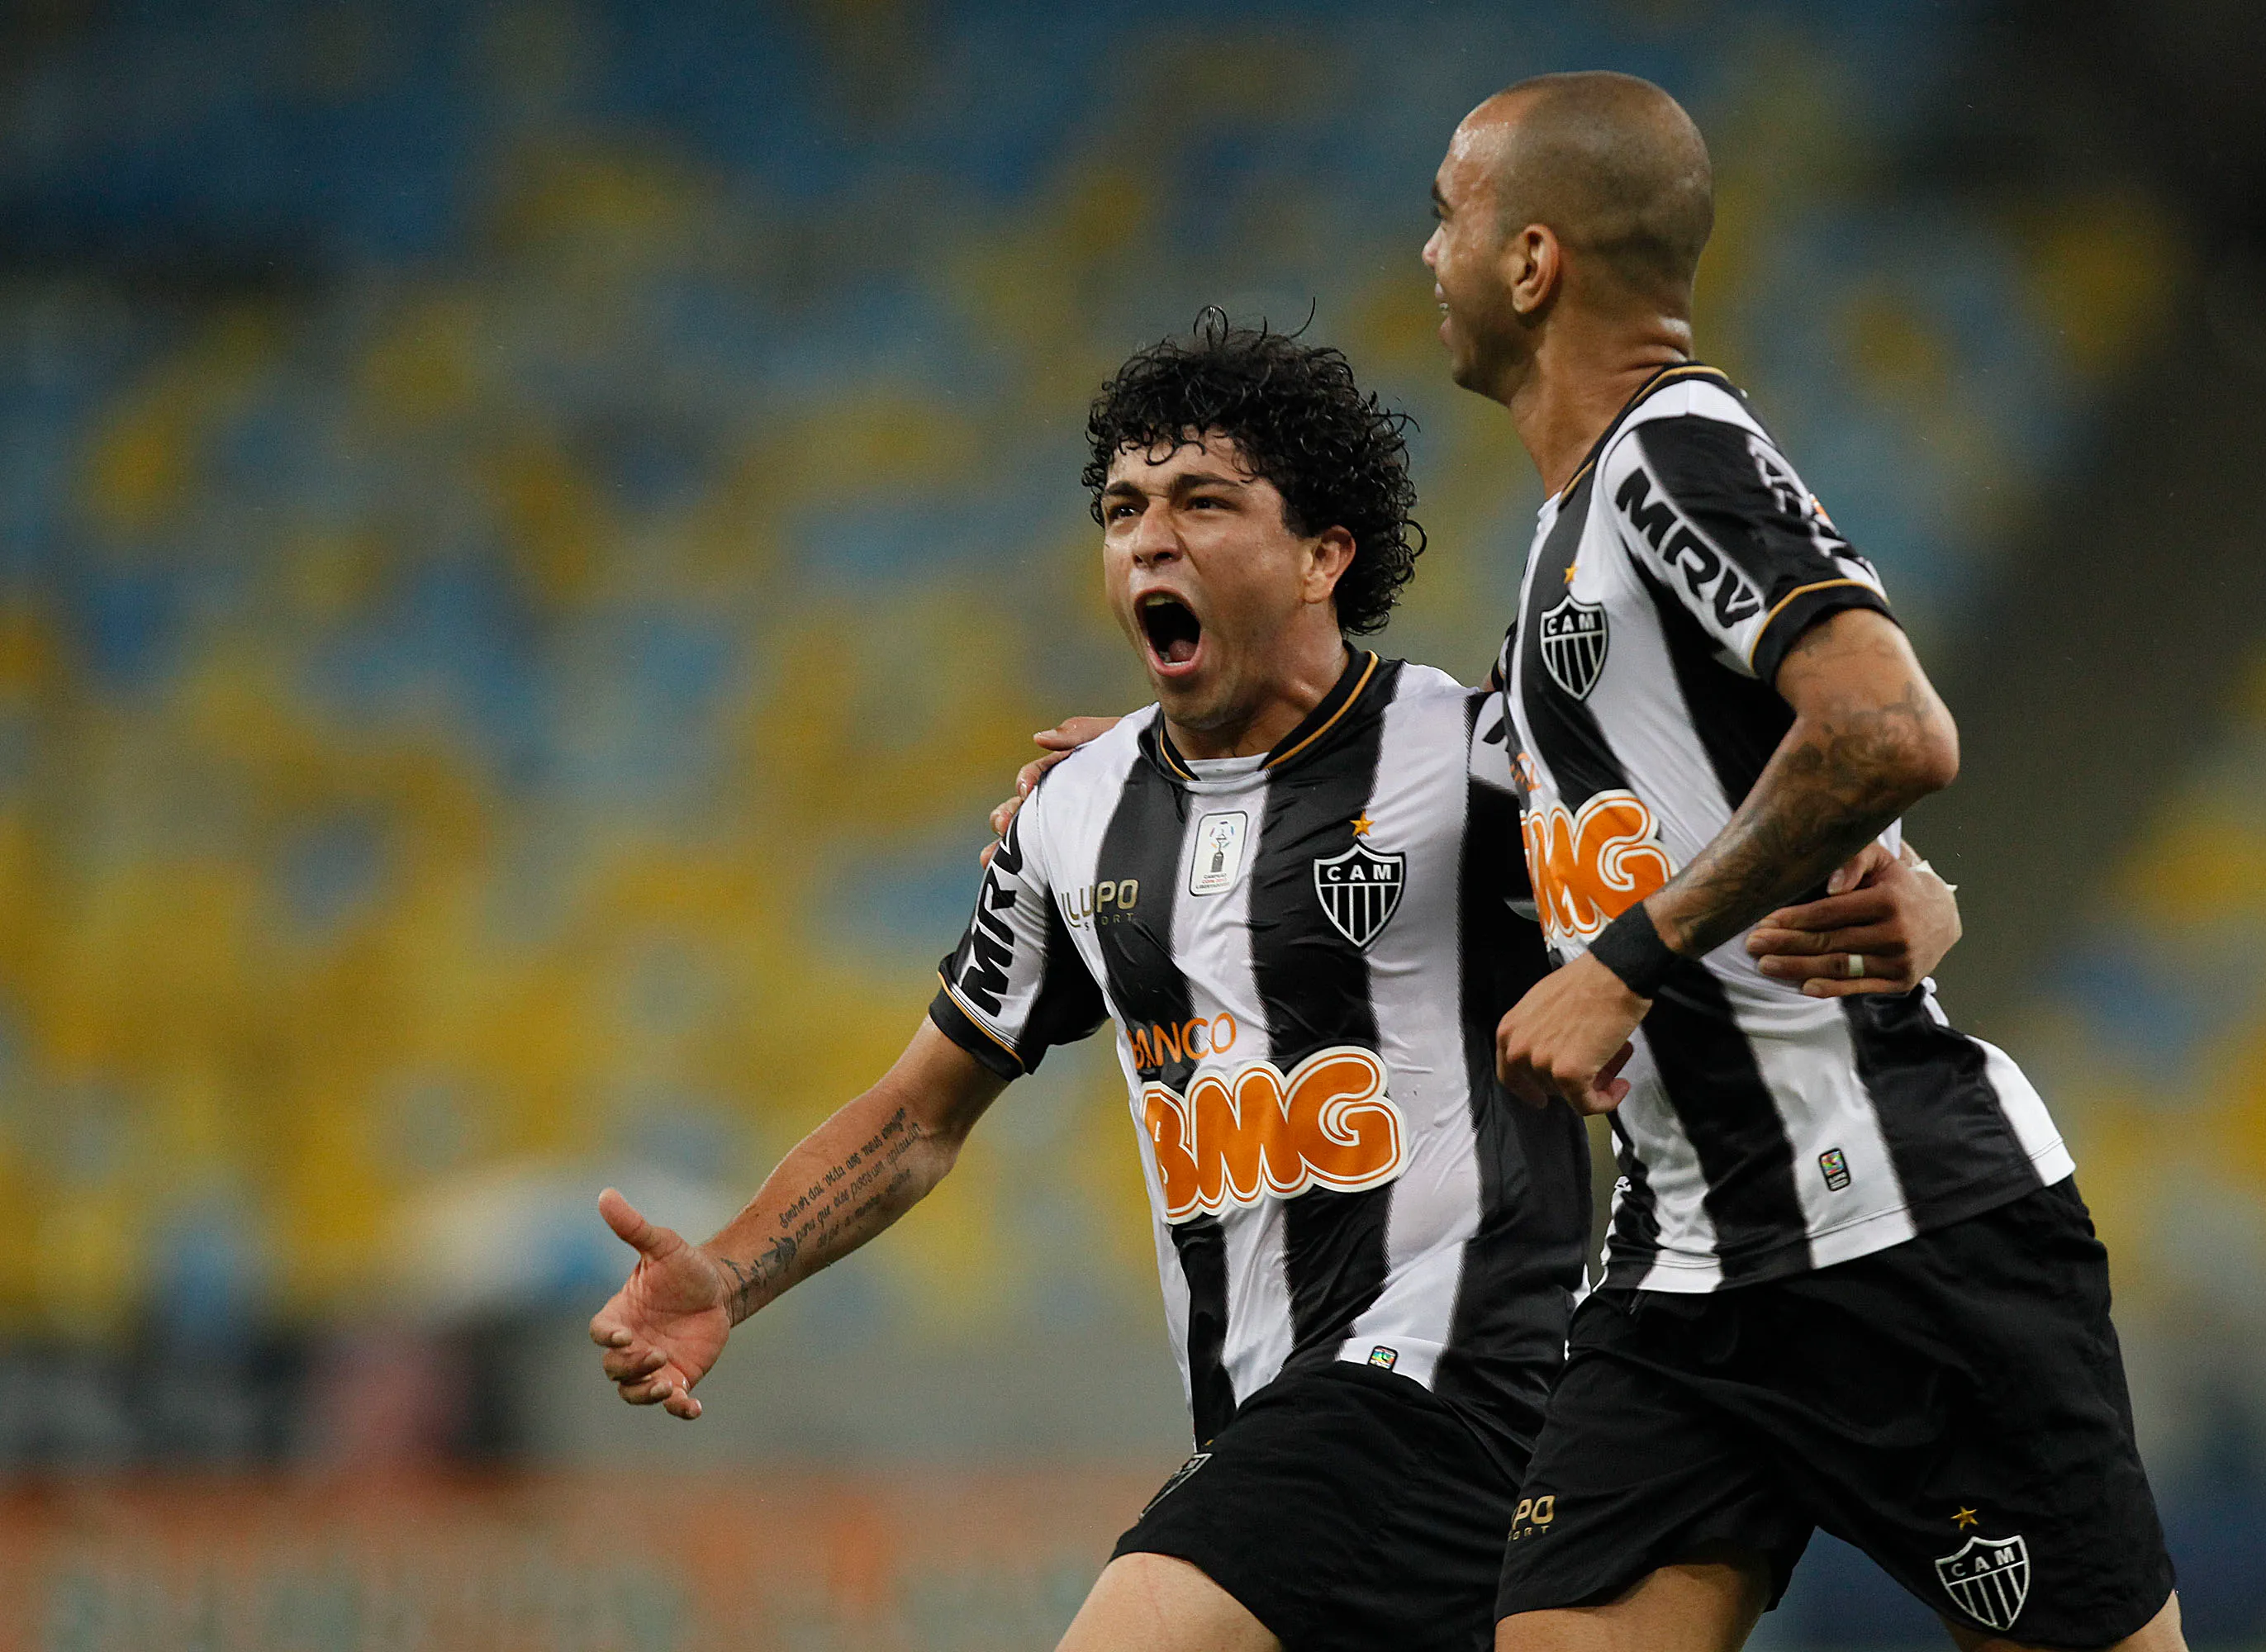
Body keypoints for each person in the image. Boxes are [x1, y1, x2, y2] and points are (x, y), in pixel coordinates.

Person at [589, 317, 1960, 1652]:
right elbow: (923, 1110)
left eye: (1202, 501)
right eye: (1124, 508)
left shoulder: (1475, 755)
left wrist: (1911, 886)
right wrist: (730, 1276)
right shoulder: (1075, 817)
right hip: (1276, 1423)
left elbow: (1709, 837)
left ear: (1322, 554)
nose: (1149, 538)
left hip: (1453, 1375)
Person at [1418, 72, 2181, 1651]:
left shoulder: (1668, 452)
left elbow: (1887, 727)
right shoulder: (1571, 531)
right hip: (1688, 1271)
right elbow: (1745, 784)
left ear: (1535, 260)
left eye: (1450, 211)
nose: (1427, 250)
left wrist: (1621, 966)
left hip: (1902, 1235)